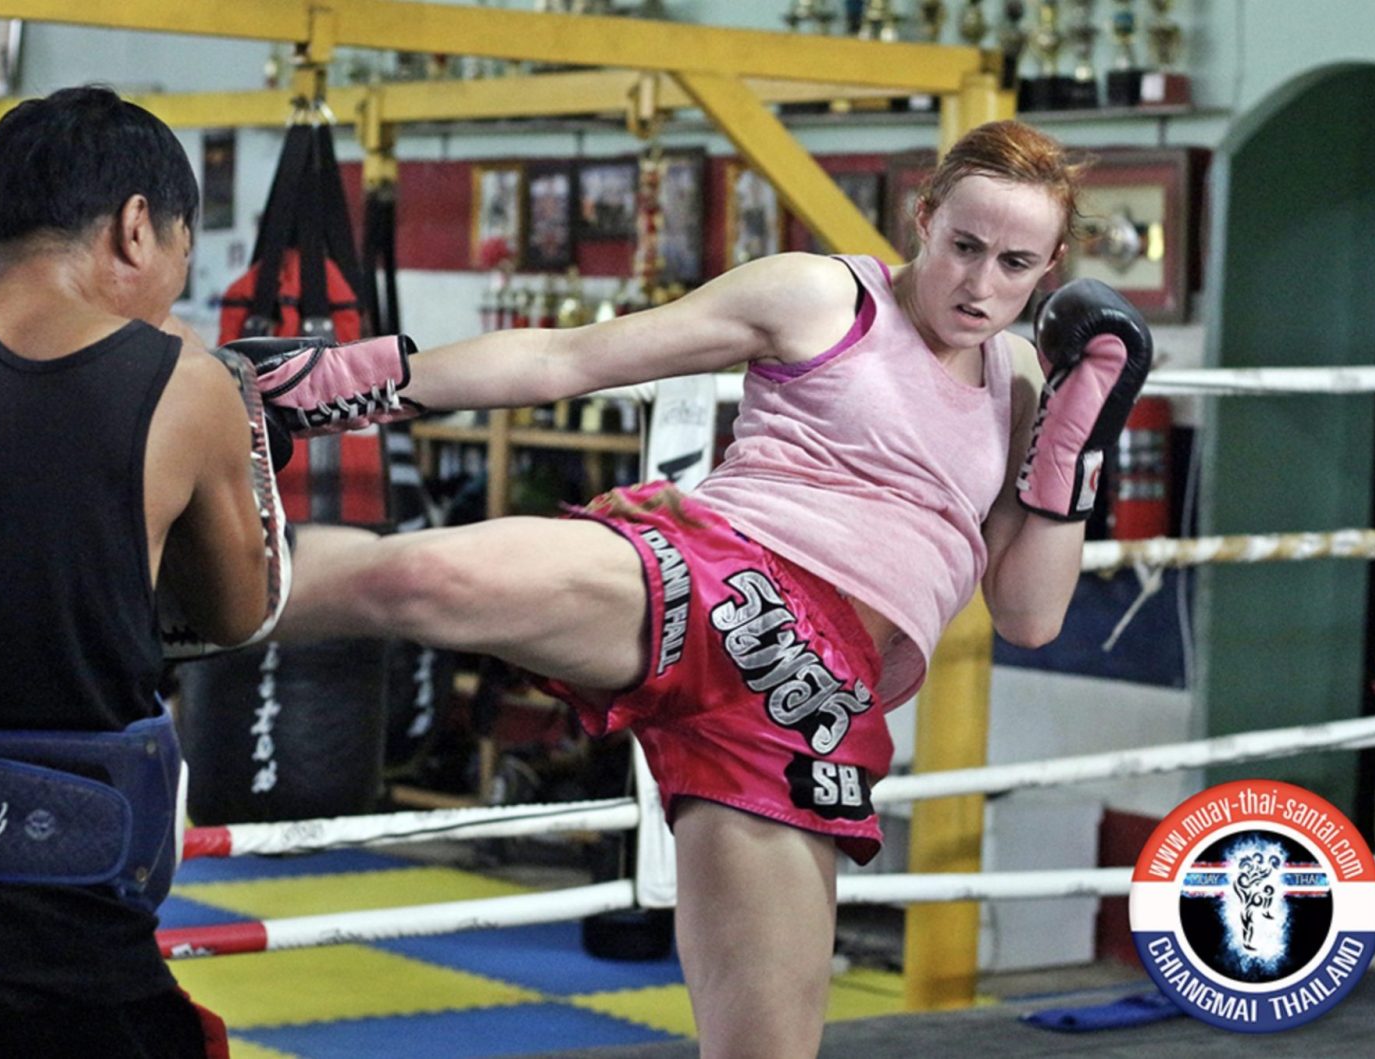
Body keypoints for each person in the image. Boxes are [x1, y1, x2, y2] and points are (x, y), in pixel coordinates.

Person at [249, 119, 1152, 1058]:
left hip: (804, 694)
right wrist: (335, 385)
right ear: (923, 217)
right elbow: (573, 359)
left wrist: (1075, 450)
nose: (979, 283)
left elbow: (1030, 613)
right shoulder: (823, 294)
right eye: (964, 247)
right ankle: (155, 588)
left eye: (1014, 263)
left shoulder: (1018, 387)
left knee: (765, 1045)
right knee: (424, 574)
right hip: (711, 573)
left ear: (1047, 269)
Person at [0, 86, 282, 1056]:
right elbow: (240, 615)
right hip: (70, 923)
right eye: (177, 254)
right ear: (134, 229)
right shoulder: (185, 383)